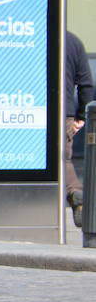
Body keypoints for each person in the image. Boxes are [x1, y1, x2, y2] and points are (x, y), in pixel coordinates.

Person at [64, 31, 94, 228]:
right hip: (64, 113)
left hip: (28, 107)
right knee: (62, 159)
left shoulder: (32, 32)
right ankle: (75, 193)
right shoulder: (74, 41)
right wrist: (80, 117)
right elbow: (86, 85)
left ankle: (75, 191)